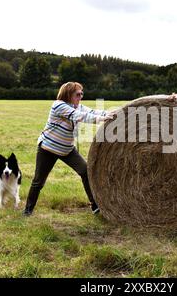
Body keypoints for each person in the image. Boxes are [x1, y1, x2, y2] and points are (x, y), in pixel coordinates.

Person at [23, 82, 113, 216]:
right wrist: (101, 119)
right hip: (48, 149)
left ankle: (95, 205)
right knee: (38, 182)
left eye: (82, 94)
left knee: (85, 171)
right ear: (68, 94)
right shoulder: (58, 105)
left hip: (67, 150)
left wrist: (112, 113)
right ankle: (27, 211)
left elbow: (92, 112)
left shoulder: (77, 106)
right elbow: (78, 116)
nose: (81, 96)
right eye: (78, 94)